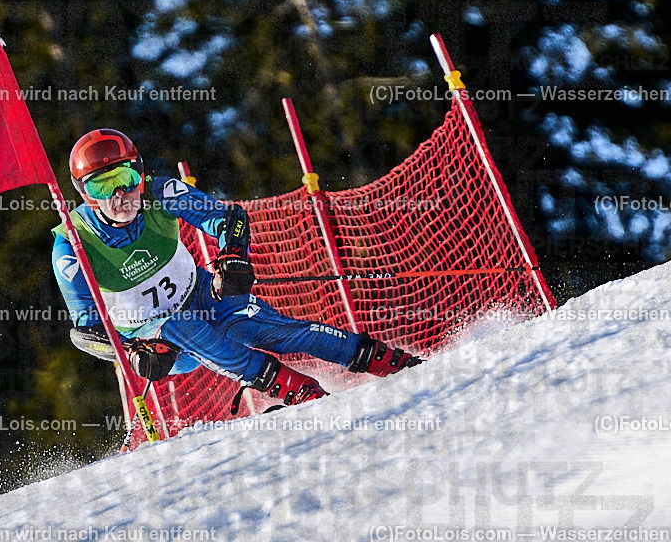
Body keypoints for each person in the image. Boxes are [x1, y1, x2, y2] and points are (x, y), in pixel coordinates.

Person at [51, 129, 420, 410]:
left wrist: (232, 256)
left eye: (126, 178)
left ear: (140, 173)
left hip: (202, 295)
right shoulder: (71, 244)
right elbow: (85, 331)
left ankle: (390, 361)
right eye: (103, 186)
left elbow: (229, 218)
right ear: (85, 194)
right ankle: (299, 392)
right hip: (158, 341)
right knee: (179, 325)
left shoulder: (160, 193)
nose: (120, 195)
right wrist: (132, 351)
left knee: (264, 329)